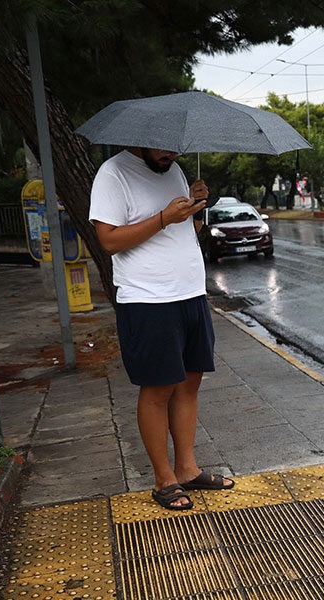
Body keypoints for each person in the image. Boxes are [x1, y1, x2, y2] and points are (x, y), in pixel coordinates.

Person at [89, 147, 234, 511]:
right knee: (158, 388)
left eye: (174, 147)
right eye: (162, 146)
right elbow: (108, 240)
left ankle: (187, 469)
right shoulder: (113, 173)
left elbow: (186, 231)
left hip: (191, 293)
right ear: (140, 138)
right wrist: (163, 217)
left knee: (189, 382)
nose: (170, 152)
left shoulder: (175, 169)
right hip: (147, 300)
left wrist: (196, 209)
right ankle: (164, 479)